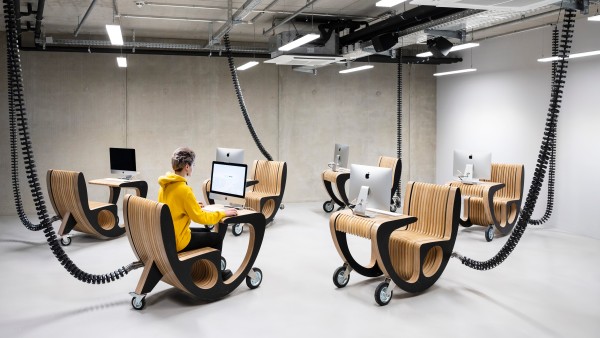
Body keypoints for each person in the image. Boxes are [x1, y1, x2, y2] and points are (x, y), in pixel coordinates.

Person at [158, 147, 237, 280]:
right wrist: (223, 213)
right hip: (178, 241)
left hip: (169, 235)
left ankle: (205, 266)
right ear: (187, 167)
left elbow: (174, 207)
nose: (193, 168)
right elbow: (201, 218)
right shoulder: (184, 189)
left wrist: (193, 206)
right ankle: (215, 274)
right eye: (193, 165)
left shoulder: (165, 185)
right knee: (216, 238)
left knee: (205, 232)